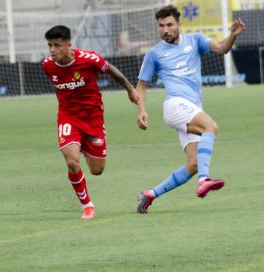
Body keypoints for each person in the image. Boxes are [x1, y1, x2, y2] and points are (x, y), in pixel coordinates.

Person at [135, 5, 245, 213]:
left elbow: (222, 48)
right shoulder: (154, 54)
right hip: (175, 105)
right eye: (161, 26)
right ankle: (204, 180)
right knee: (210, 127)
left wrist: (232, 35)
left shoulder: (195, 40)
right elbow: (141, 85)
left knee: (193, 164)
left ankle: (150, 194)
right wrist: (141, 111)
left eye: (169, 25)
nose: (165, 30)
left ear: (179, 25)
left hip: (191, 107)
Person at [42, 25, 138, 220]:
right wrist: (63, 108)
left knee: (97, 170)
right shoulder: (48, 65)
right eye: (50, 45)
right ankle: (87, 205)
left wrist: (130, 89)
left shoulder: (89, 59)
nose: (52, 50)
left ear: (68, 45)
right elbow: (57, 87)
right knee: (71, 161)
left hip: (93, 117)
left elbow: (111, 70)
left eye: (57, 45)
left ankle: (85, 147)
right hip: (68, 117)